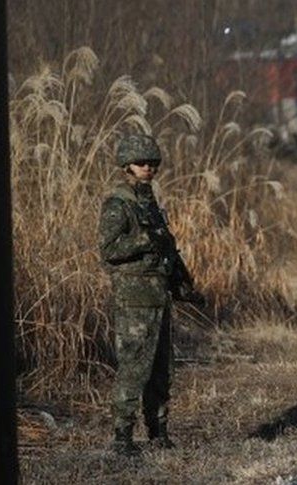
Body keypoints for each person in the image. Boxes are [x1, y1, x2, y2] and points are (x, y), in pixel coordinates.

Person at [97, 133, 204, 456]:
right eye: (142, 163)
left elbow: (166, 248)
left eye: (153, 163)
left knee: (161, 369)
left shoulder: (150, 201)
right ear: (126, 166)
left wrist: (182, 285)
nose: (148, 168)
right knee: (134, 368)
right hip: (133, 299)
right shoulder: (118, 203)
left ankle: (158, 432)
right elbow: (109, 251)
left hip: (158, 297)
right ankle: (122, 438)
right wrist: (144, 240)